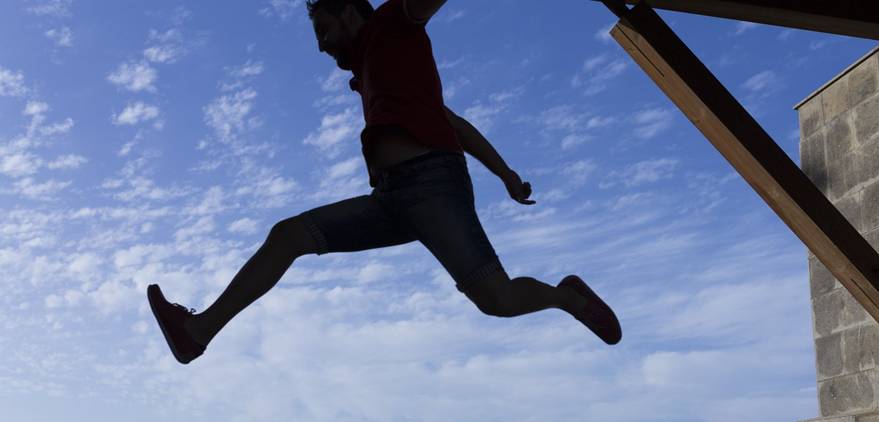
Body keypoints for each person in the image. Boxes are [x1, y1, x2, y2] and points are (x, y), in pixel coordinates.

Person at [147, 0, 621, 365]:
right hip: (390, 201)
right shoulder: (375, 71)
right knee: (288, 234)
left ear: (351, 12)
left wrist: (505, 175)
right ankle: (198, 333)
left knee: (497, 300)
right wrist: (506, 173)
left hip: (434, 187)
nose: (320, 44)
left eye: (323, 29)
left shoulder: (394, 22)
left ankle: (566, 296)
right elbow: (452, 121)